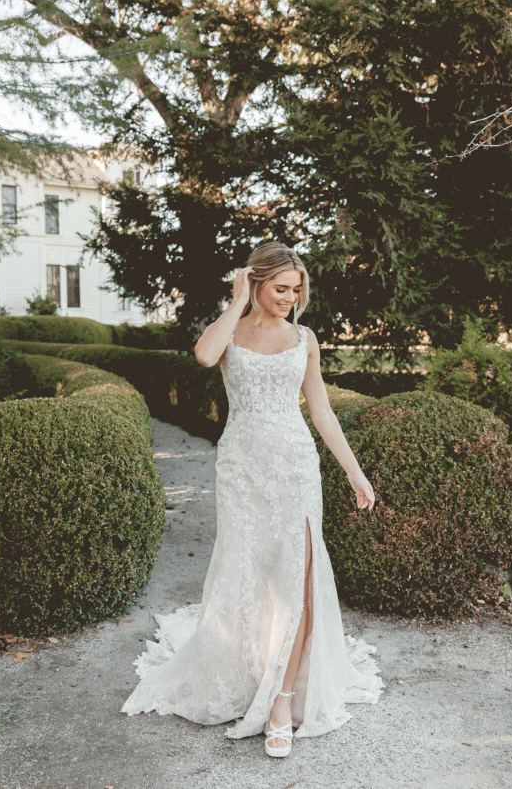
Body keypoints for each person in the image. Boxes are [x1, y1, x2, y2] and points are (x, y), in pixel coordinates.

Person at [121, 242, 384, 757]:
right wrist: (236, 301)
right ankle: (247, 673)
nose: (290, 297)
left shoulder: (304, 339)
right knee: (249, 572)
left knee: (298, 572)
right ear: (256, 283)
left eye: (297, 290)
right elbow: (203, 355)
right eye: (280, 288)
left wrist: (354, 472)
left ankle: (282, 700)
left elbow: (322, 412)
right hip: (241, 467)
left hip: (294, 466)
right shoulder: (232, 332)